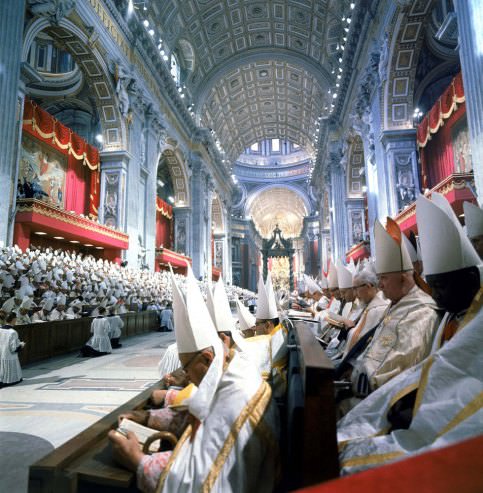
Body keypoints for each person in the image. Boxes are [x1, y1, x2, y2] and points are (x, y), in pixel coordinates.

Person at [337, 193, 483, 475]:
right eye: (434, 285)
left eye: (442, 286)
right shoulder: (449, 311)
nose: (437, 294)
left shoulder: (428, 312)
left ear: (470, 280)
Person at [108, 265, 279, 493]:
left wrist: (138, 460)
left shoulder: (237, 399)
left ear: (208, 357)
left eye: (187, 367)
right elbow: (199, 413)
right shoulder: (232, 373)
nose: (186, 375)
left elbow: (204, 485)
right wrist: (146, 417)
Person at [340, 218, 440, 401]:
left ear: (404, 278)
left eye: (384, 278)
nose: (380, 285)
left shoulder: (422, 313)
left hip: (383, 400)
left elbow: (404, 368)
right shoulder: (395, 306)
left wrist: (357, 379)